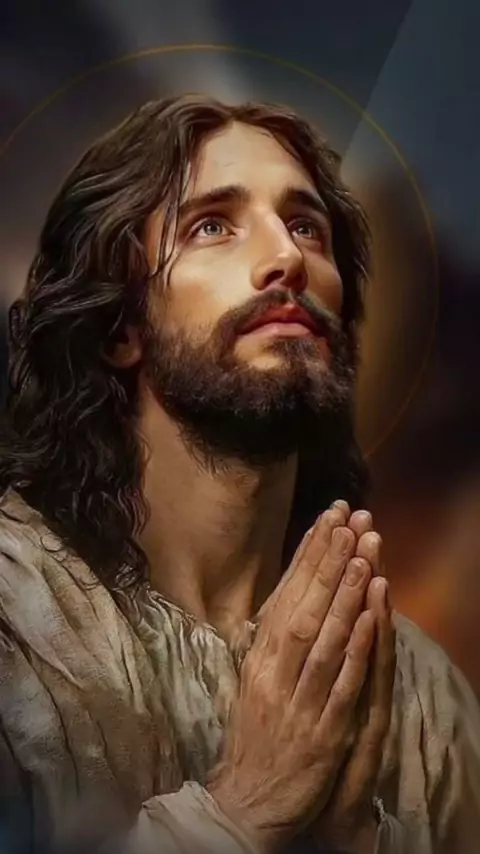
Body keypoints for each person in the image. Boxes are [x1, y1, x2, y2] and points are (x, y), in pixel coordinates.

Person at [0, 94, 479, 854]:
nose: (287, 257)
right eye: (212, 226)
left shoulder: (424, 701)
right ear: (120, 328)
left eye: (306, 226)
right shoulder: (16, 626)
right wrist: (242, 811)